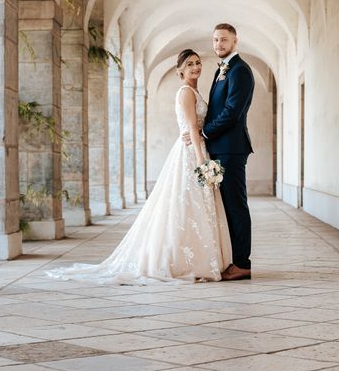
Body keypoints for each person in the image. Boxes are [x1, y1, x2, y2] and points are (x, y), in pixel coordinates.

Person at [46, 49, 232, 284]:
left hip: (197, 148)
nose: (195, 67)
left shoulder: (194, 91)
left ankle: (198, 257)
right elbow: (192, 129)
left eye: (197, 63)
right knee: (186, 203)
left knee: (194, 205)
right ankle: (184, 261)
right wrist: (200, 158)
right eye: (189, 64)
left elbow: (197, 129)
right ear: (180, 71)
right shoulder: (186, 92)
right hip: (191, 153)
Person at [184, 23, 255, 281]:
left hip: (232, 149)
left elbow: (232, 112)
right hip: (219, 147)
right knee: (225, 206)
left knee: (236, 206)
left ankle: (242, 263)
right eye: (215, 40)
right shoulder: (222, 70)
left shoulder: (240, 71)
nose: (218, 45)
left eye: (224, 40)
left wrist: (203, 133)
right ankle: (230, 260)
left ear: (235, 41)